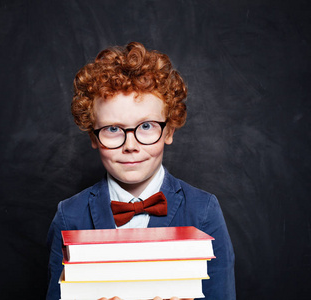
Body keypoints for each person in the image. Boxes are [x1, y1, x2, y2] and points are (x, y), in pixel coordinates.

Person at [46, 42, 235, 300]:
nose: (130, 146)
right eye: (113, 129)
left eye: (146, 126)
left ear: (168, 131)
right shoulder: (69, 216)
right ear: (93, 136)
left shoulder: (204, 211)